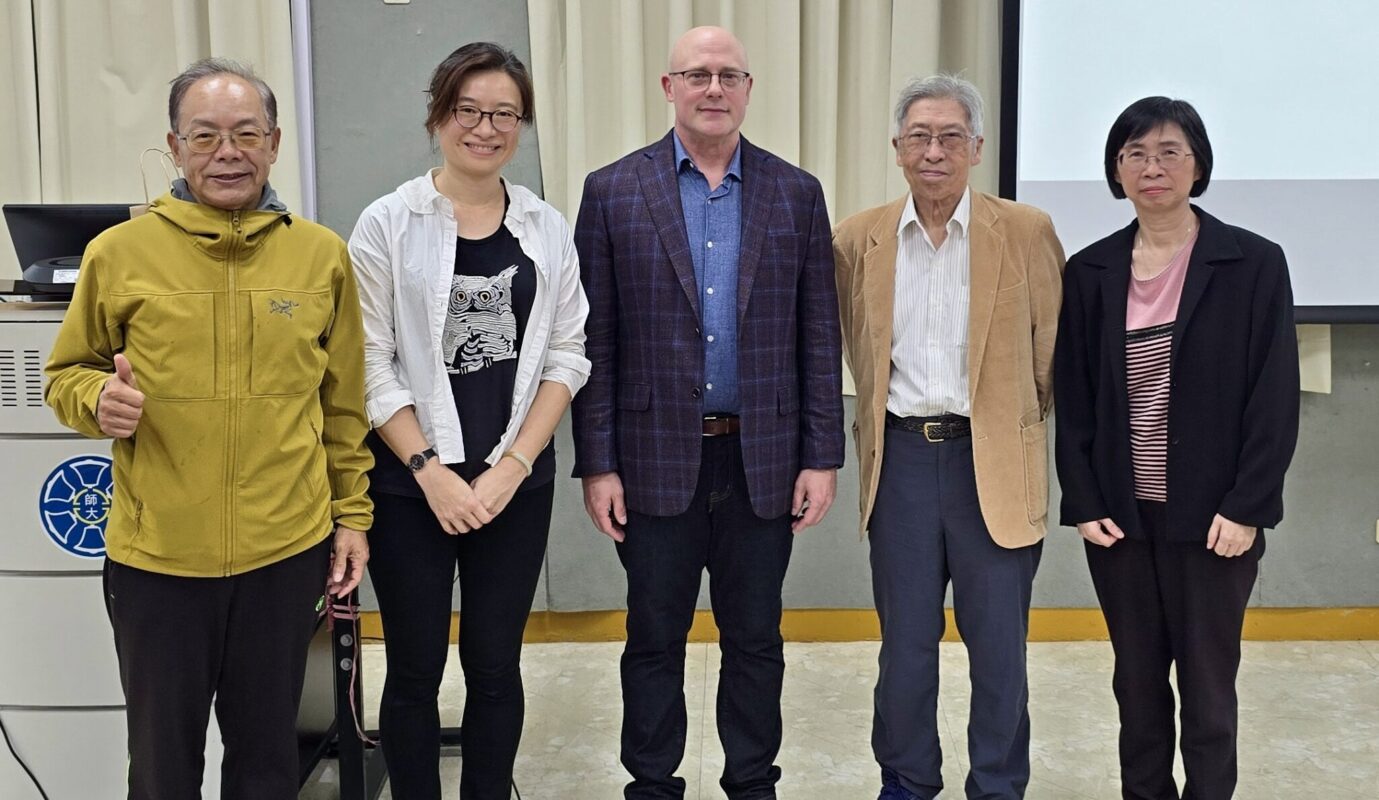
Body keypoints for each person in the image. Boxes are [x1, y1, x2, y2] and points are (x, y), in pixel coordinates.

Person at [44, 58, 373, 799]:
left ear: (275, 142)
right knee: (162, 770)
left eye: (246, 133)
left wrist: (352, 515)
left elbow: (343, 405)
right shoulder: (118, 254)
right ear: (176, 146)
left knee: (266, 765)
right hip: (158, 560)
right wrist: (98, 399)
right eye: (206, 136)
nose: (228, 151)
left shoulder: (321, 256)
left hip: (283, 554)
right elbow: (65, 374)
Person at [570, 25, 844, 800]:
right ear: (668, 88)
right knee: (652, 638)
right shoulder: (613, 190)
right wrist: (598, 463)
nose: (713, 89)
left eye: (728, 75)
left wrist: (821, 456)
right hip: (652, 458)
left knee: (755, 639)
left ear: (749, 89)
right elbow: (596, 341)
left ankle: (751, 780)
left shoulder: (795, 193)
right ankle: (651, 783)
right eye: (696, 75)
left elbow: (816, 334)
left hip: (762, 459)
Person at [348, 42, 589, 800]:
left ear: (521, 125)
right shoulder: (387, 223)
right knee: (414, 665)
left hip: (515, 487)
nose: (485, 129)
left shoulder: (546, 227)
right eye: (469, 111)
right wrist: (431, 474)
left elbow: (568, 354)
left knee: (494, 663)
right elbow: (366, 360)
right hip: (406, 488)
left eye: (504, 115)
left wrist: (513, 464)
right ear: (438, 115)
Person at [1054, 96, 1299, 800]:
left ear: (1197, 166)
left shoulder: (1250, 262)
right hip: (1121, 520)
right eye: (1134, 154)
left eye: (1167, 152)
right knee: (1135, 687)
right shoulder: (1090, 270)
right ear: (1115, 169)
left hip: (1214, 519)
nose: (1150, 168)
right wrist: (1084, 500)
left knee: (1207, 692)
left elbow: (1273, 396)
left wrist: (1248, 505)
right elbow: (1073, 399)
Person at [833, 74, 1065, 800]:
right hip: (899, 460)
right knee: (904, 649)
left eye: (950, 137)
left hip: (991, 461)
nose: (934, 151)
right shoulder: (857, 238)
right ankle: (906, 781)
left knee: (1000, 651)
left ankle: (996, 785)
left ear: (977, 148)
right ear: (897, 148)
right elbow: (851, 348)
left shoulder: (1024, 230)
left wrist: (1014, 430)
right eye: (919, 137)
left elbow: (1052, 352)